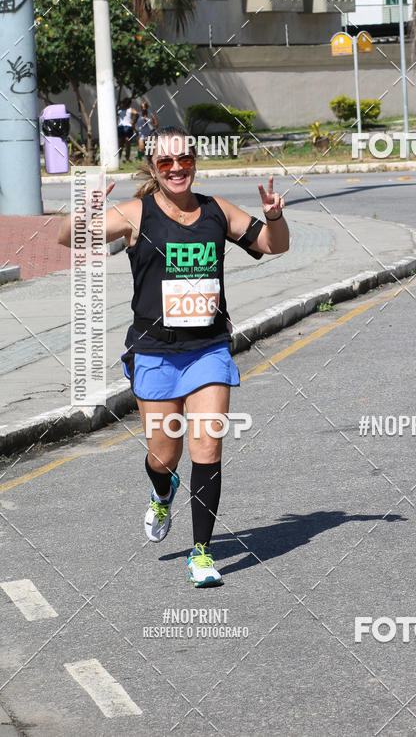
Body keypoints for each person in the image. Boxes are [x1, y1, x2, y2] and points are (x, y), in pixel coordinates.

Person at [59, 126, 289, 585]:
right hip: (155, 353)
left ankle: (201, 553)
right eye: (165, 162)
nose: (177, 168)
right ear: (152, 167)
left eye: (184, 159)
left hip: (207, 349)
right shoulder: (135, 214)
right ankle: (162, 493)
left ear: (195, 161)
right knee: (165, 454)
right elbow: (69, 238)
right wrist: (81, 210)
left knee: (208, 444)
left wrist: (274, 217)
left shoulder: (215, 210)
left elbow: (273, 245)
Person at [117, 98, 139, 162]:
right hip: (121, 126)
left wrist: (133, 122)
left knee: (126, 143)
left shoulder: (129, 109)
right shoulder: (120, 109)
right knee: (122, 143)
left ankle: (125, 157)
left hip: (127, 127)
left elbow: (137, 114)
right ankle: (121, 157)